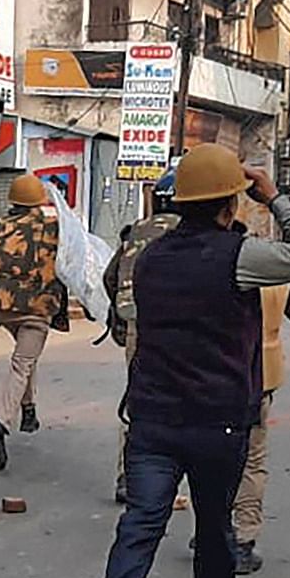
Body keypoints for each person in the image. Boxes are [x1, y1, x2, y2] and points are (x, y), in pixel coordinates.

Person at [72, 145, 290, 578]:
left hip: (151, 420)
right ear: (227, 204)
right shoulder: (239, 256)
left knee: (138, 528)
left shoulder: (152, 259)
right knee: (214, 530)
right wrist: (275, 198)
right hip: (217, 422)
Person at [227, 282, 290, 573]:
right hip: (257, 379)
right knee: (251, 461)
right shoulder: (273, 268)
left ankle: (214, 531)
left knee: (210, 456)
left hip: (208, 377)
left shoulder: (204, 257)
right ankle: (242, 541)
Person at [0, 173, 70, 470]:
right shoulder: (54, 229)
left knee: (26, 358)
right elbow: (72, 262)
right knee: (22, 363)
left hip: (3, 307)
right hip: (38, 309)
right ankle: (0, 423)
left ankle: (28, 409)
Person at [101, 169, 180, 503]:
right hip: (181, 329)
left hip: (138, 325)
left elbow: (110, 276)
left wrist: (120, 314)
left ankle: (127, 476)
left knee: (138, 399)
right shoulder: (191, 232)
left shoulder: (134, 232)